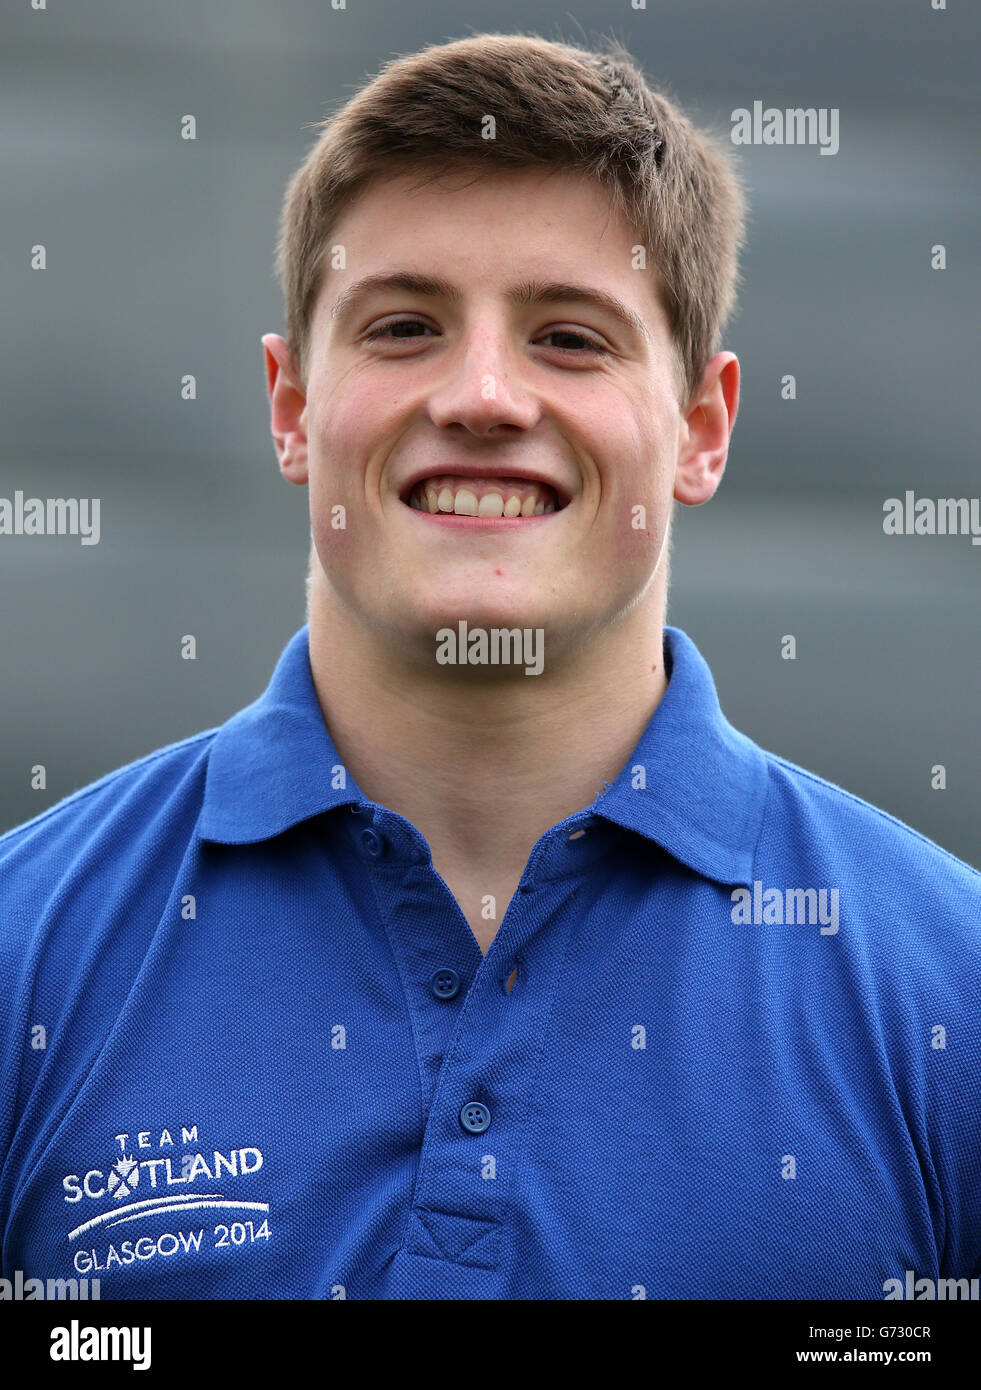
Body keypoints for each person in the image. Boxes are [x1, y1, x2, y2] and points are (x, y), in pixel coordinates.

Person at [1, 33, 978, 1302]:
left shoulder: (950, 990)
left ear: (701, 427)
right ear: (293, 407)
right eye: (404, 325)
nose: (482, 396)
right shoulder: (27, 952)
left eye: (571, 339)